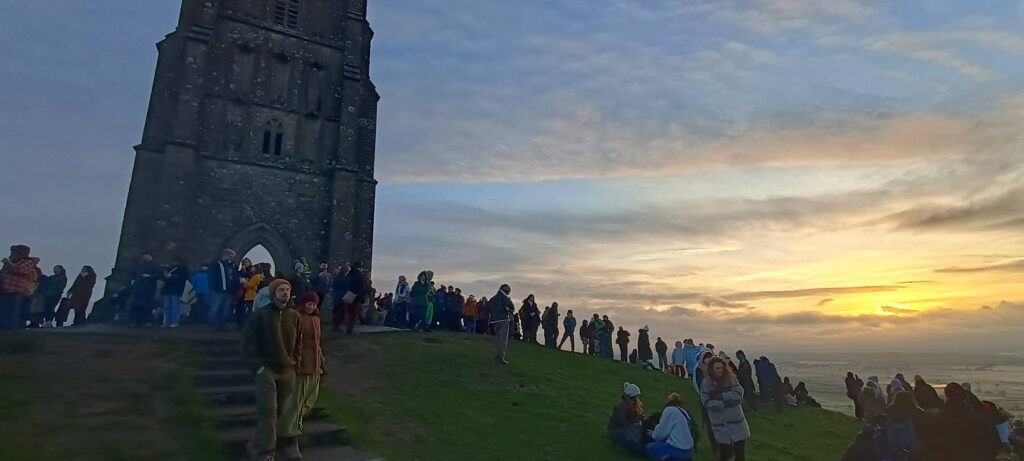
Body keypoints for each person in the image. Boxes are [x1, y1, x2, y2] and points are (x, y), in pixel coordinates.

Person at [242, 279, 301, 461]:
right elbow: (249, 344)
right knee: (268, 410)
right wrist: (258, 367)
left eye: (287, 289)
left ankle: (256, 443)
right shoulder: (260, 316)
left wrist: (295, 364)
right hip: (266, 368)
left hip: (287, 369)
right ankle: (266, 451)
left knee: (281, 411)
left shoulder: (294, 316)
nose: (285, 293)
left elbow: (299, 343)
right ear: (273, 293)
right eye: (281, 290)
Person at [280, 291, 325, 459]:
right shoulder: (295, 317)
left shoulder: (316, 319)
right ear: (303, 303)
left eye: (314, 304)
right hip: (301, 366)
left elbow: (318, 344)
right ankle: (290, 436)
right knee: (295, 403)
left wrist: (322, 362)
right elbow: (290, 342)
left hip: (315, 367)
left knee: (310, 399)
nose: (311, 307)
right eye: (309, 304)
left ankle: (290, 426)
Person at [700, 357, 750, 461]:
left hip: (737, 424)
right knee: (725, 455)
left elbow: (738, 395)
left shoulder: (730, 379)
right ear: (712, 369)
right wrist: (723, 403)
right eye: (717, 368)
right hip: (720, 426)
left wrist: (722, 396)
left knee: (740, 453)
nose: (720, 370)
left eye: (722, 368)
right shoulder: (706, 383)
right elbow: (706, 402)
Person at [647, 392, 696, 461]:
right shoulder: (684, 412)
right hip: (690, 451)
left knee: (651, 447)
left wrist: (654, 434)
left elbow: (659, 434)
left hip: (679, 450)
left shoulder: (669, 410)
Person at [608, 382, 647, 456]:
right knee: (637, 428)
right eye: (637, 396)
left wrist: (639, 418)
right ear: (633, 396)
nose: (638, 398)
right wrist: (637, 420)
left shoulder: (628, 404)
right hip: (616, 432)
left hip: (618, 431)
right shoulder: (624, 405)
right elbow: (623, 423)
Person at [207, 249, 240, 331]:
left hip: (229, 292)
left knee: (225, 310)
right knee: (215, 309)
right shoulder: (216, 264)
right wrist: (213, 289)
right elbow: (211, 277)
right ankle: (212, 326)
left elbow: (235, 277)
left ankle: (221, 326)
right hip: (218, 291)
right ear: (225, 255)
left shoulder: (232, 266)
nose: (232, 258)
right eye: (231, 256)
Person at [129, 253, 162, 327]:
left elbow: (160, 275)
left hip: (148, 289)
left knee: (147, 305)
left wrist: (150, 276)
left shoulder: (155, 266)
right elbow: (133, 273)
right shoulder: (139, 265)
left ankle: (146, 320)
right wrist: (133, 280)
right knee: (136, 305)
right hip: (139, 288)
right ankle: (136, 320)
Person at [487, 284, 514, 364]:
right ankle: (501, 356)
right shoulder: (505, 298)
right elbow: (512, 308)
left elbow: (487, 307)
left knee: (498, 338)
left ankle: (497, 354)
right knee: (503, 339)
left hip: (495, 320)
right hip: (503, 319)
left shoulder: (493, 299)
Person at [341, 261, 368, 334]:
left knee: (349, 313)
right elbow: (362, 286)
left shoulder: (350, 273)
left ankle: (348, 329)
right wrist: (362, 297)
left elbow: (345, 284)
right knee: (353, 314)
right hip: (356, 296)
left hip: (348, 295)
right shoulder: (359, 274)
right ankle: (349, 330)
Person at [161, 259, 189, 328]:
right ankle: (167, 322)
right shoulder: (171, 268)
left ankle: (174, 321)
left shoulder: (182, 269)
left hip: (175, 289)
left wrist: (170, 277)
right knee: (168, 306)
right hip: (169, 289)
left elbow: (182, 278)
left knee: (174, 306)